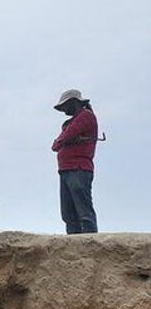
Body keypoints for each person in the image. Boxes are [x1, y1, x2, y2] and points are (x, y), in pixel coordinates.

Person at [52, 89, 99, 234]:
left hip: (78, 168)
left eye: (65, 106)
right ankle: (74, 241)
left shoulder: (85, 116)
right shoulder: (73, 121)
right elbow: (58, 143)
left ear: (73, 103)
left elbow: (64, 138)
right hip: (67, 169)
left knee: (83, 210)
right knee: (68, 212)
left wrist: (61, 140)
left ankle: (90, 240)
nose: (64, 110)